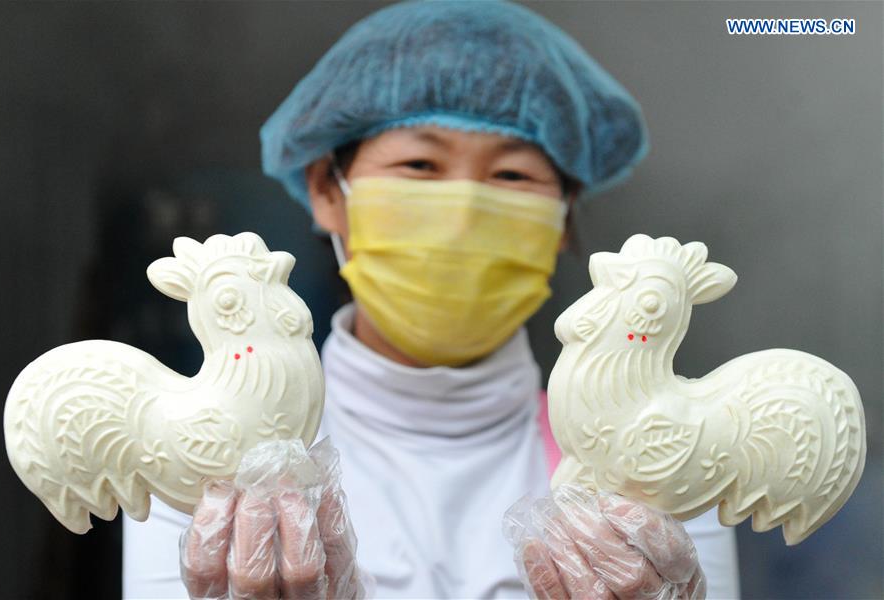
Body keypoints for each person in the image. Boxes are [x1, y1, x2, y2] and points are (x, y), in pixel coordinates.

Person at [123, 1, 741, 598]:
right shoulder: (203, 460)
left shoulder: (656, 463)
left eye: (512, 176)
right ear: (327, 191)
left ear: (562, 216)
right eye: (420, 165)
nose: (463, 216)